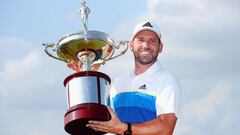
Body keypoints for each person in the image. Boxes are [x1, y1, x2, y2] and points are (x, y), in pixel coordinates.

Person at [67, 20, 181, 135]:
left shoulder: (167, 79)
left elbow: (166, 128)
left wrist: (124, 128)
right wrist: (85, 79)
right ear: (131, 45)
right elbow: (97, 120)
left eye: (152, 41)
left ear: (160, 47)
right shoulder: (118, 84)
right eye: (141, 40)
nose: (146, 45)